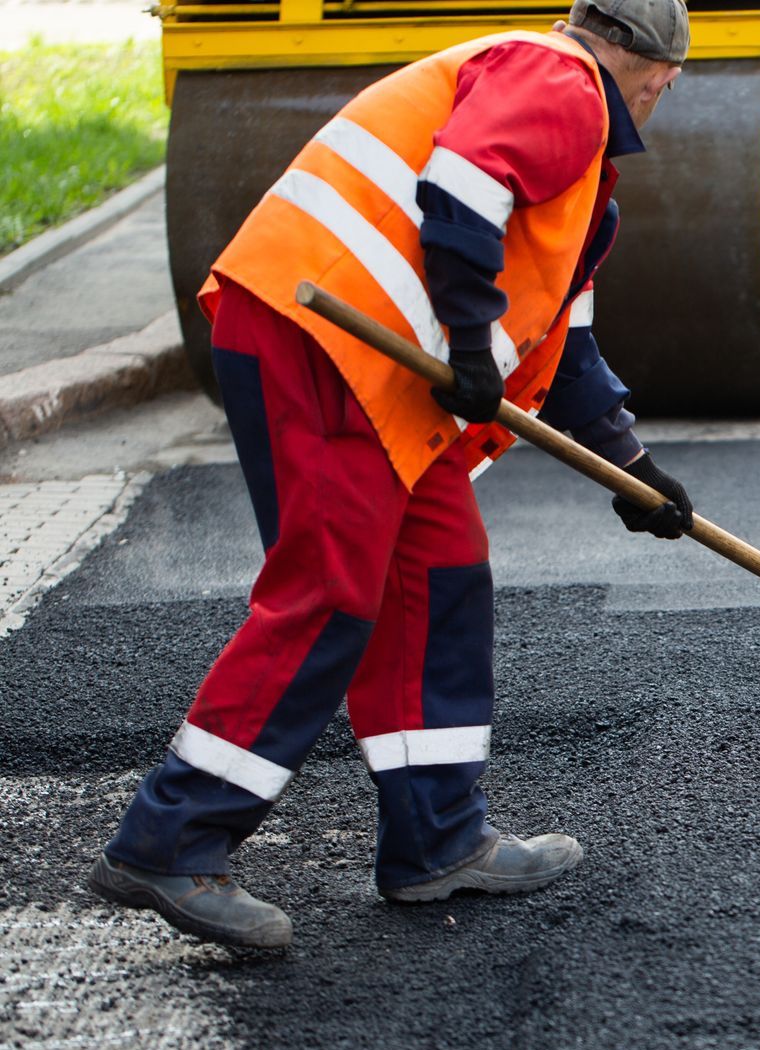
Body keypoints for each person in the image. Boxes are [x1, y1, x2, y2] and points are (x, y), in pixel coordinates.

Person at [87, 0, 700, 950]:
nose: (665, 94)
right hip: (328, 343)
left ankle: (436, 843)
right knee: (332, 595)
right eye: (669, 79)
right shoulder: (561, 79)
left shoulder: (584, 181)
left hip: (380, 375)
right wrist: (464, 337)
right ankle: (170, 840)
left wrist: (633, 468)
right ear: (655, 67)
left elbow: (565, 346)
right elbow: (460, 182)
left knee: (440, 578)